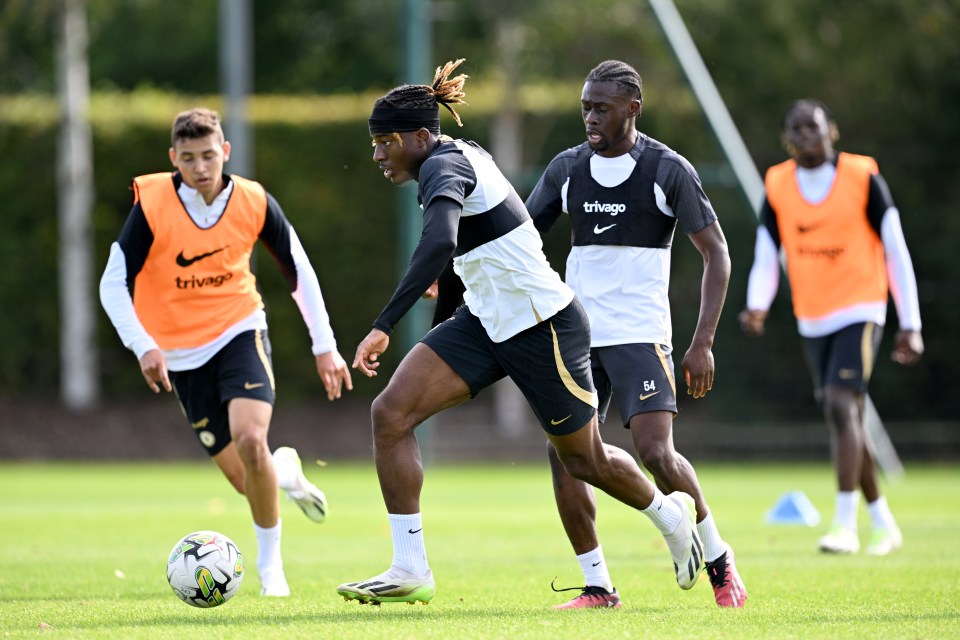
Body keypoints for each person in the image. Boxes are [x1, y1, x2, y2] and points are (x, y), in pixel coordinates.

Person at [334, 59, 704, 607]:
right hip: (487, 322)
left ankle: (669, 515)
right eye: (374, 143)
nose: (377, 155)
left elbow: (439, 244)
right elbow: (459, 263)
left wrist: (384, 325)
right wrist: (437, 343)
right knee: (391, 414)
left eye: (386, 142)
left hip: (542, 325)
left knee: (584, 460)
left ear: (420, 136)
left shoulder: (445, 166)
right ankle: (410, 567)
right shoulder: (440, 168)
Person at [99, 107, 353, 596]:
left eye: (209, 155)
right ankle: (287, 475)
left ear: (225, 153)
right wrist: (143, 345)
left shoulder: (254, 200)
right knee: (246, 478)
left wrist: (326, 347)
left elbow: (299, 272)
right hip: (178, 354)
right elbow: (114, 283)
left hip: (239, 331)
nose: (200, 167)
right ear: (174, 158)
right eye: (188, 158)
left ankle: (271, 572)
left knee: (252, 440)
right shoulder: (152, 205)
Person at [526, 60, 746, 609]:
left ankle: (718, 559)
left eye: (601, 108)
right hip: (576, 335)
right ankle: (598, 584)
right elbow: (523, 237)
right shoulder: (567, 168)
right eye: (585, 107)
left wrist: (702, 343)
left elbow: (716, 253)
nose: (590, 117)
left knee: (657, 453)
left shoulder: (667, 169)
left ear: (632, 109)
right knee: (566, 456)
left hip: (640, 334)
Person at [739, 99, 923, 556]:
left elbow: (896, 249)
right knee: (850, 417)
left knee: (841, 407)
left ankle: (844, 524)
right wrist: (756, 304)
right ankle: (883, 521)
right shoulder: (778, 183)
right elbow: (767, 249)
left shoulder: (863, 177)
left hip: (862, 307)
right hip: (812, 316)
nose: (807, 136)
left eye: (814, 127)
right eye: (797, 130)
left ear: (832, 132)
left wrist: (911, 322)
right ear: (787, 140)